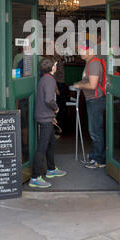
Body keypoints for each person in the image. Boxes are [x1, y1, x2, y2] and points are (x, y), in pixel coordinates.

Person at [29, 57, 67, 188]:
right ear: (53, 67)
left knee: (51, 144)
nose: (56, 66)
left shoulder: (44, 78)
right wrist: (56, 108)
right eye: (55, 64)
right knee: (42, 147)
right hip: (45, 118)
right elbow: (49, 99)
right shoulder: (50, 80)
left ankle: (51, 169)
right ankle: (35, 177)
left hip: (45, 116)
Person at [74, 40, 106, 169]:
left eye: (82, 49)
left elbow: (92, 85)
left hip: (96, 100)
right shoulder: (89, 62)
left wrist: (79, 85)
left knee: (95, 130)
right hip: (93, 99)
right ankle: (95, 155)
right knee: (94, 129)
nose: (80, 52)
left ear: (90, 51)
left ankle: (99, 160)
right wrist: (80, 82)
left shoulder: (93, 64)